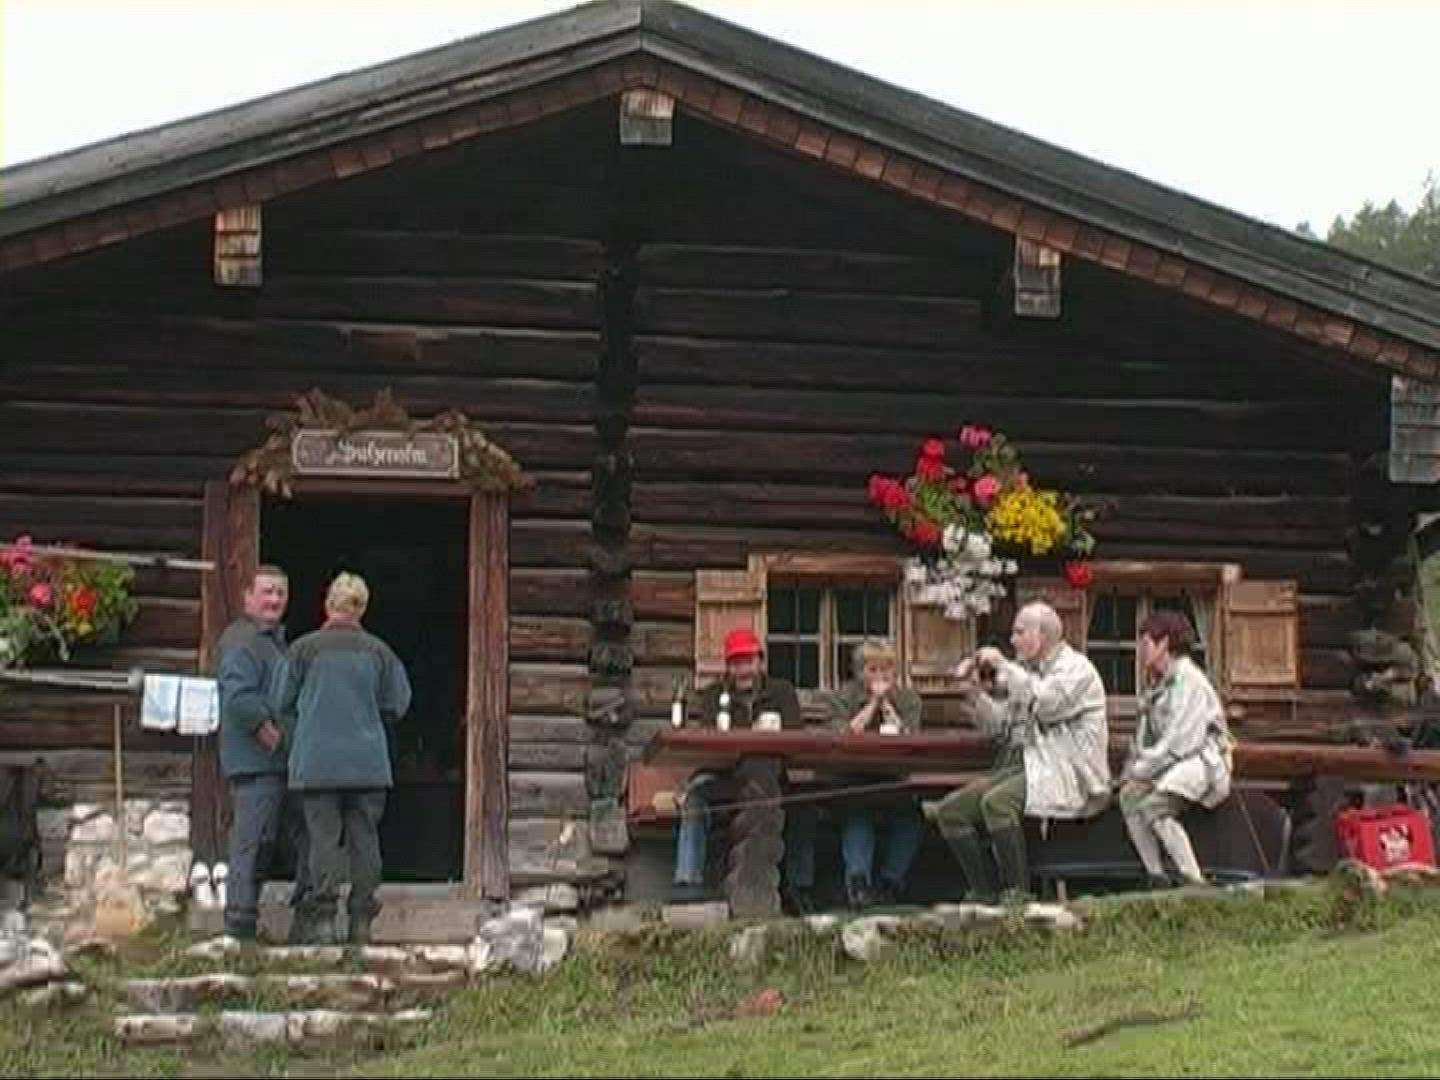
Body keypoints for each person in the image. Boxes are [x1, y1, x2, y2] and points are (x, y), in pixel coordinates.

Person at [934, 601, 1109, 903]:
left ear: (1042, 636)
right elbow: (1001, 727)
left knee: (997, 802)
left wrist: (1003, 665)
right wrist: (975, 694)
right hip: (1030, 765)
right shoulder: (1026, 672)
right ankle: (985, 892)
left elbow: (1046, 705)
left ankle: (1019, 894)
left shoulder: (1077, 669)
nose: (1013, 640)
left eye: (1019, 632)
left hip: (1068, 771)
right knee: (950, 812)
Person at [274, 572, 412, 945]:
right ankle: (361, 920)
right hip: (367, 763)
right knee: (364, 839)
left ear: (328, 603)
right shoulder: (380, 653)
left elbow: (280, 700)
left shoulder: (303, 650)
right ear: (362, 608)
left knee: (323, 840)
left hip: (317, 762)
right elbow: (397, 704)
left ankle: (323, 919)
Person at [672, 628, 815, 909]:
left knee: (804, 804)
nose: (743, 669)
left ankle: (800, 887)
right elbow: (710, 741)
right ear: (728, 666)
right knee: (695, 799)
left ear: (760, 661)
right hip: (726, 776)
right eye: (736, 662)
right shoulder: (714, 695)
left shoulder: (781, 691)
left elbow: (795, 734)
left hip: (774, 775)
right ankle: (687, 881)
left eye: (748, 661)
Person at [215, 564, 313, 944]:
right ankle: (238, 926)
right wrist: (265, 730)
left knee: (294, 838)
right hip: (257, 762)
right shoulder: (241, 640)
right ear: (248, 598)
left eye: (280, 593)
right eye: (267, 592)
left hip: (281, 761)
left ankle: (303, 920)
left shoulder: (275, 643)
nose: (274, 599)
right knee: (251, 843)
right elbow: (238, 694)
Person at [1119, 610, 1234, 888]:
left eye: (1146, 643)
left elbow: (1180, 741)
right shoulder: (1159, 685)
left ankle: (1194, 880)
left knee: (1155, 808)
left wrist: (1143, 768)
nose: (1141, 651)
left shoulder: (1188, 680)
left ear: (1164, 644)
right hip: (1173, 761)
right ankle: (1156, 875)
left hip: (1201, 759)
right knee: (1129, 797)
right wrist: (1134, 769)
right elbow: (1145, 740)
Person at [826, 639, 925, 908]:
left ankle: (891, 883)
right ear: (859, 672)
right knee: (858, 814)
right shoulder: (842, 698)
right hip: (850, 775)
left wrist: (887, 707)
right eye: (872, 669)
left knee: (911, 818)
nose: (880, 676)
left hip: (894, 776)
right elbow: (842, 737)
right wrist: (872, 704)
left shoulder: (908, 699)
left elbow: (910, 738)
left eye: (886, 669)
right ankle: (858, 884)